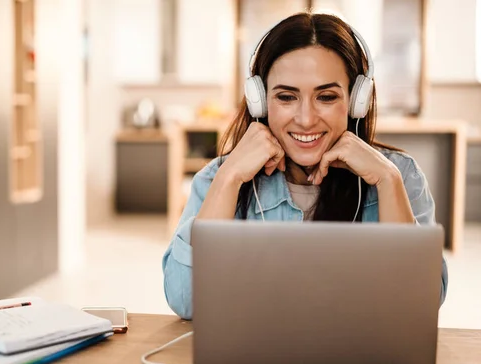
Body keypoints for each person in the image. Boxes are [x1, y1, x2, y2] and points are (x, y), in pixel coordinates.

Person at [161, 12, 448, 320]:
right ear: (259, 101)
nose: (306, 119)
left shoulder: (400, 176)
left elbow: (419, 304)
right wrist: (229, 177)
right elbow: (185, 301)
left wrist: (388, 182)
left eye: (326, 97)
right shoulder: (219, 178)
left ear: (356, 102)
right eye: (286, 97)